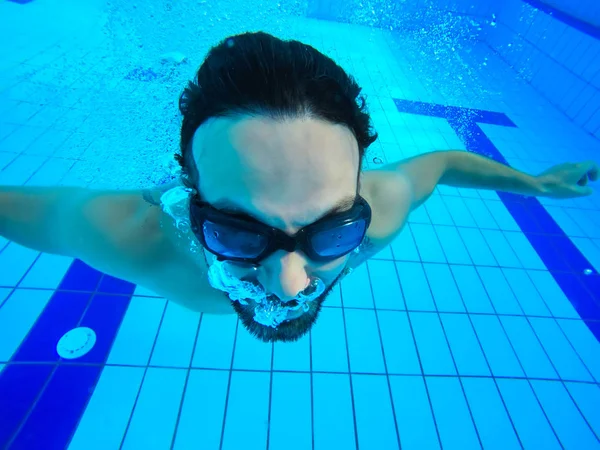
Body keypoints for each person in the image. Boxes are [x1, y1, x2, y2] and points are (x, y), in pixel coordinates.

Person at [1, 32, 597, 343]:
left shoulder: (378, 211)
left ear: (356, 191)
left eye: (331, 227)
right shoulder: (135, 235)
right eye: (235, 232)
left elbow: (439, 162)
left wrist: (534, 184)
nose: (290, 285)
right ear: (193, 202)